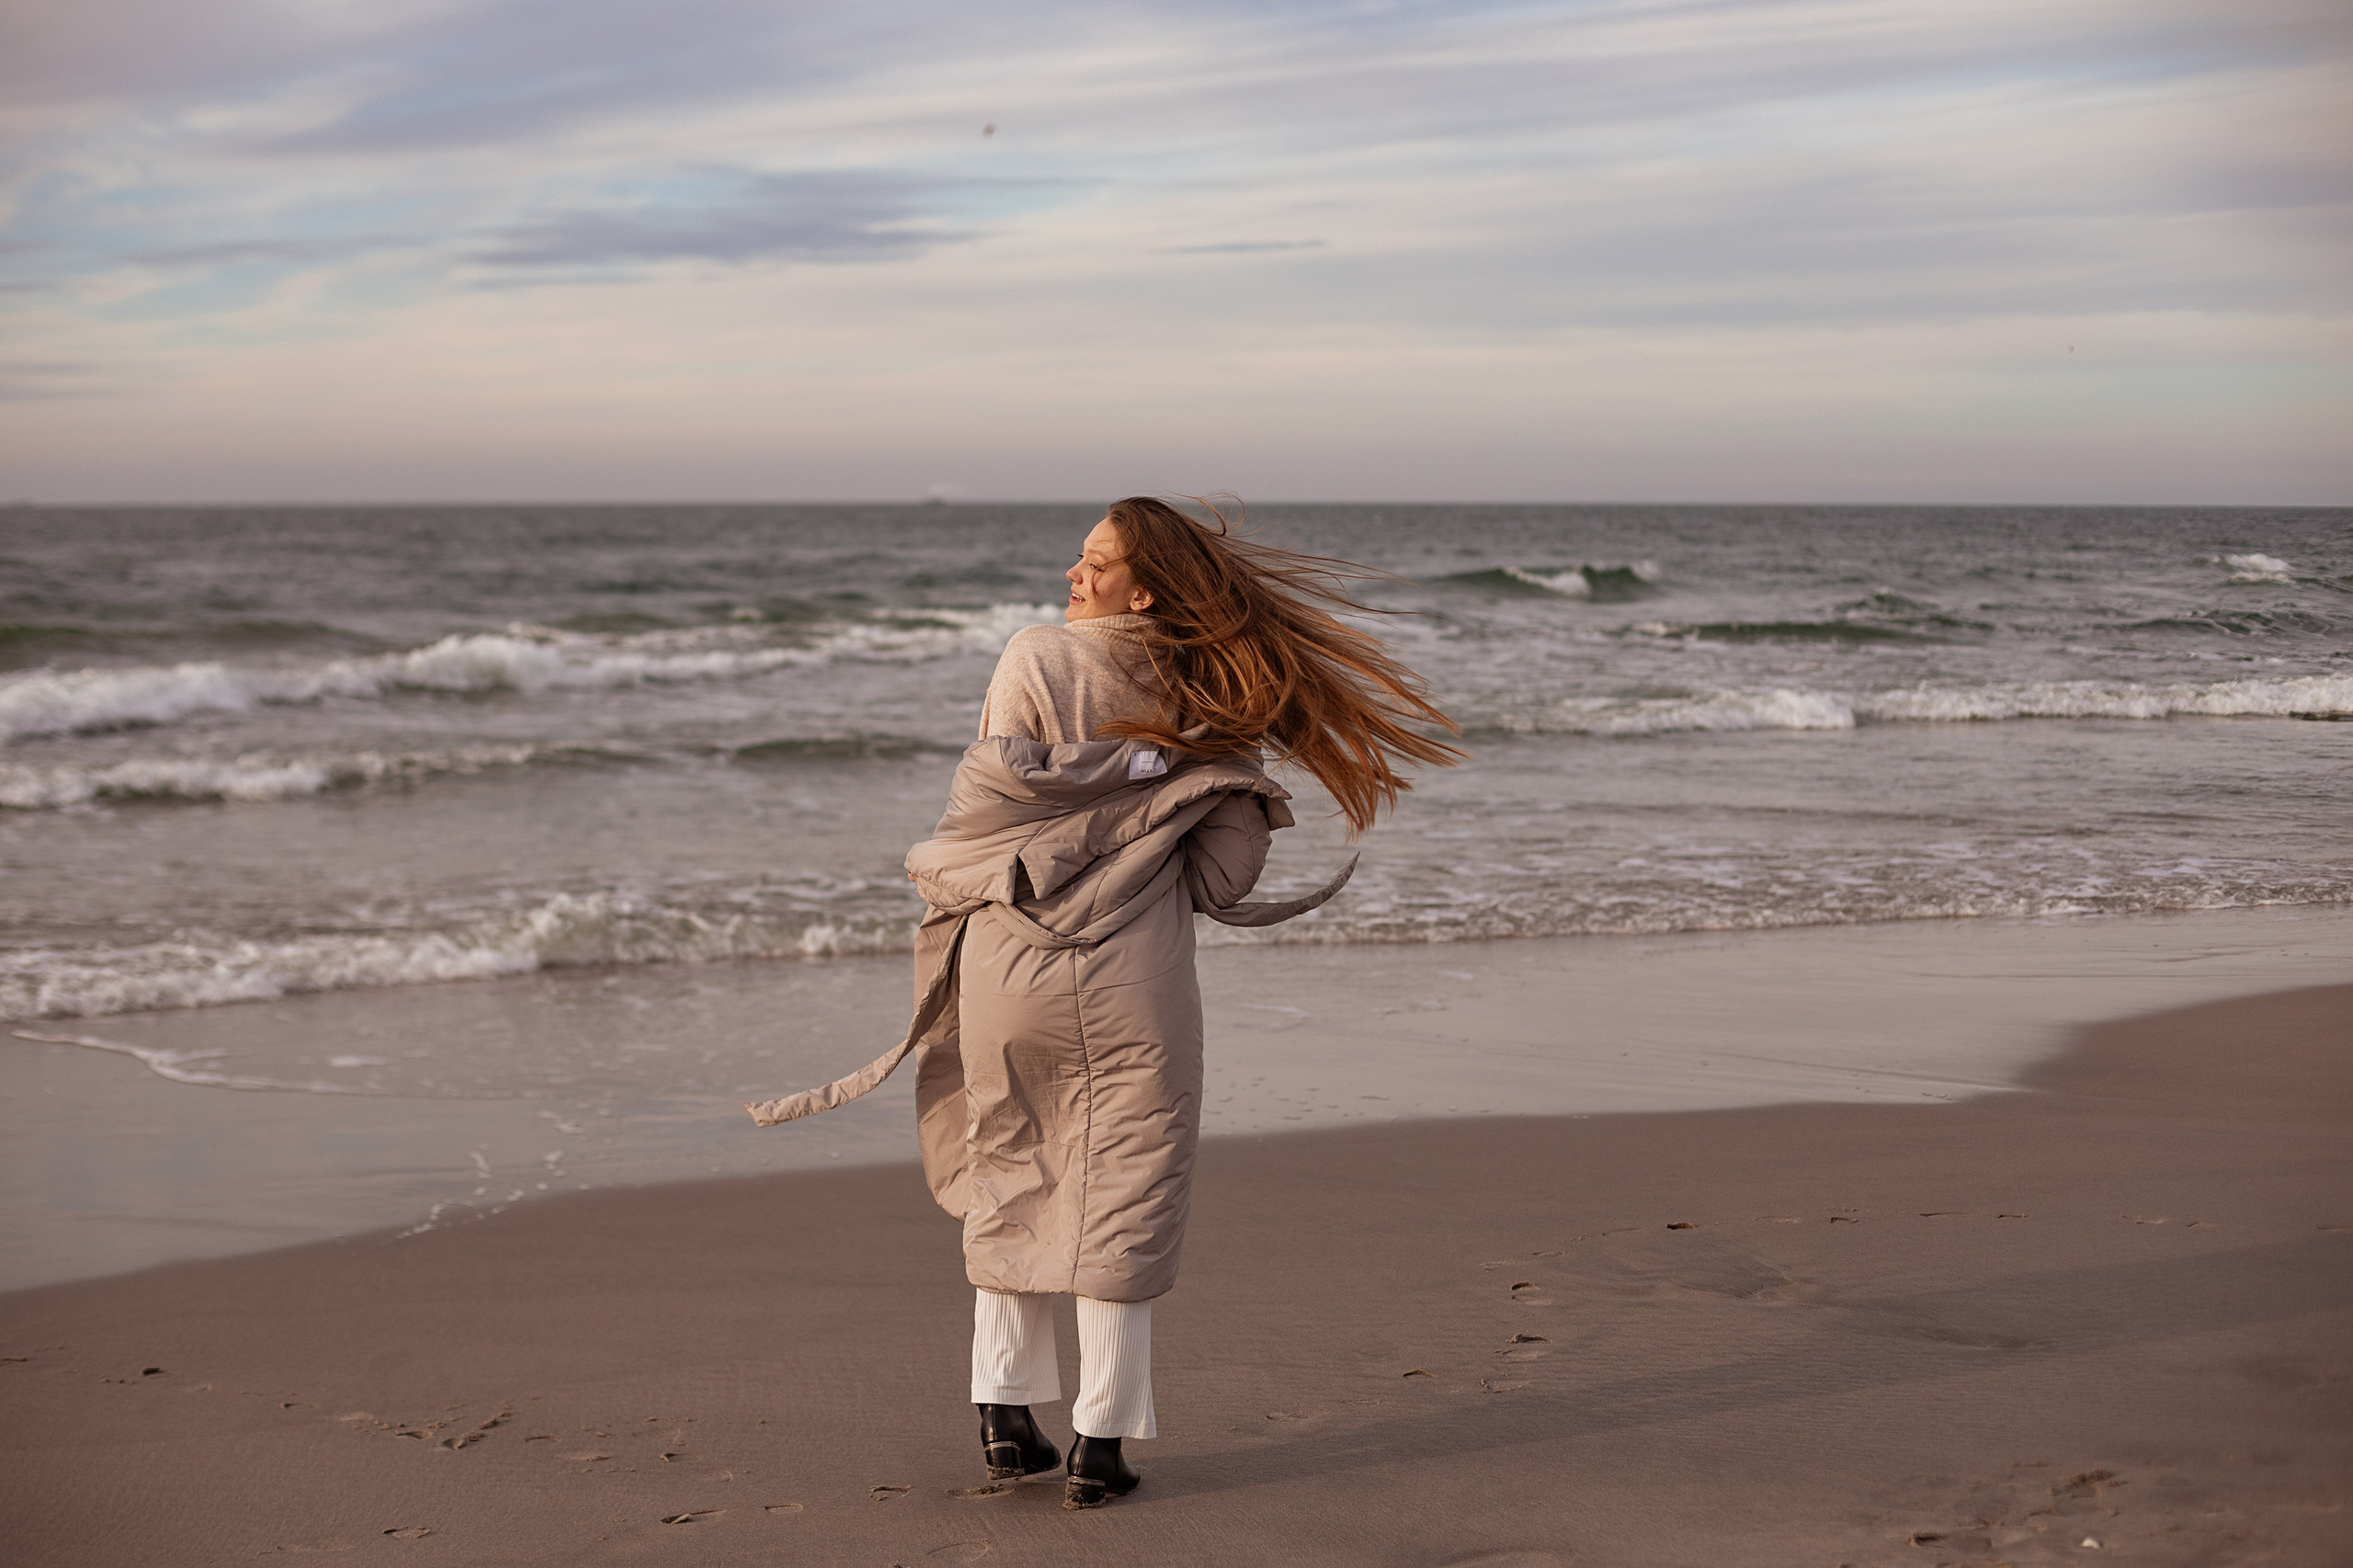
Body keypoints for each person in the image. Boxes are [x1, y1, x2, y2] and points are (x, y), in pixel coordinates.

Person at [747, 495, 1458, 1508]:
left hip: (1010, 961)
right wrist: (1175, 787)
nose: (1073, 574)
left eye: (1094, 561)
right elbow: (1221, 882)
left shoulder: (1030, 657)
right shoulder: (1206, 691)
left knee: (1012, 1166)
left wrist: (1097, 786)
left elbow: (985, 805)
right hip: (1135, 977)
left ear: (1144, 583)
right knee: (1127, 1185)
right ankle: (1099, 1443)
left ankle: (1002, 1416)